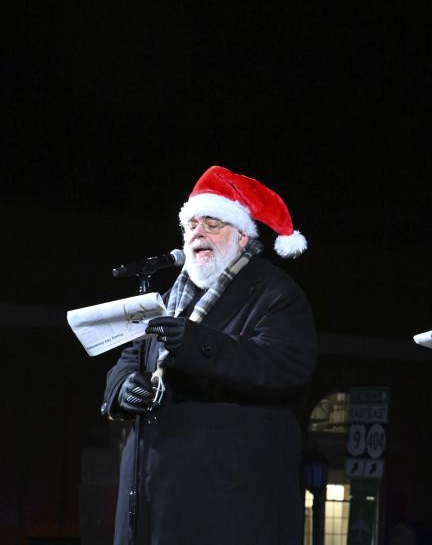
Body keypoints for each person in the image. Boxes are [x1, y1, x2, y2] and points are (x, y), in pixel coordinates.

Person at [101, 165, 317, 545]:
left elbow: (284, 366)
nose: (197, 232)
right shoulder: (169, 299)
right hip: (151, 499)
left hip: (225, 503)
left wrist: (197, 343)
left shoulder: (274, 293)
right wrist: (122, 388)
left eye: (212, 223)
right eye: (191, 226)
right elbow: (131, 356)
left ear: (244, 237)